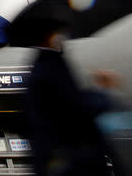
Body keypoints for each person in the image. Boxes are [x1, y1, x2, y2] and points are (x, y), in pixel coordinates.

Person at [26, 31, 114, 176]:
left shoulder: (41, 65)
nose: (62, 39)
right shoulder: (51, 66)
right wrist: (103, 90)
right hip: (65, 159)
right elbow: (76, 106)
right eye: (58, 34)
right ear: (49, 37)